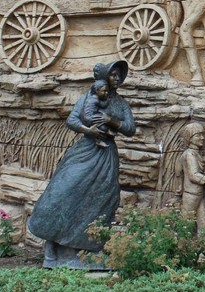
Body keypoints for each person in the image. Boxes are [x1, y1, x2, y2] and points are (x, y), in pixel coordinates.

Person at [28, 60, 136, 268]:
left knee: (104, 198)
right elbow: (72, 120)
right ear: (104, 77)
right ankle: (53, 249)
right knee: (64, 191)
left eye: (119, 75)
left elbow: (130, 128)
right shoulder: (90, 97)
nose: (116, 78)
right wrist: (89, 131)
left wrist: (112, 121)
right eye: (113, 74)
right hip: (86, 149)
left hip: (105, 154)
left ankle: (89, 251)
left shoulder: (120, 104)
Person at [175, 122, 205, 231]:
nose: (202, 138)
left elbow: (178, 170)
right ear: (190, 138)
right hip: (191, 196)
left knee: (203, 223)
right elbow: (194, 175)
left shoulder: (194, 153)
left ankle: (201, 245)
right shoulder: (189, 155)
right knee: (185, 223)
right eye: (198, 135)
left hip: (198, 195)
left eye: (203, 134)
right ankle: (180, 244)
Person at [80, 79, 115, 148]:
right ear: (97, 91)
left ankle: (105, 134)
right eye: (104, 91)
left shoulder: (90, 98)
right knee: (103, 119)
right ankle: (100, 140)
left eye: (107, 91)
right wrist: (108, 100)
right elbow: (103, 105)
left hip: (87, 117)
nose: (106, 93)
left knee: (102, 121)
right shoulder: (95, 100)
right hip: (90, 117)